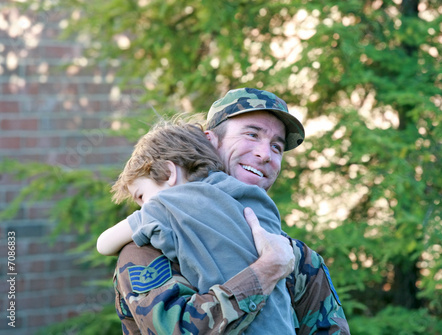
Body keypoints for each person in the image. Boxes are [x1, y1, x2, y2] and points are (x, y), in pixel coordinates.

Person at [114, 88, 350, 334]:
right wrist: (265, 272)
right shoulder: (150, 245)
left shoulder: (298, 259)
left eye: (277, 147)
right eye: (251, 134)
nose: (265, 154)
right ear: (210, 141)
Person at [97, 119, 295, 334]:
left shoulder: (170, 205)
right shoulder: (253, 199)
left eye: (142, 196)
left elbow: (103, 244)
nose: (143, 207)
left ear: (168, 174)